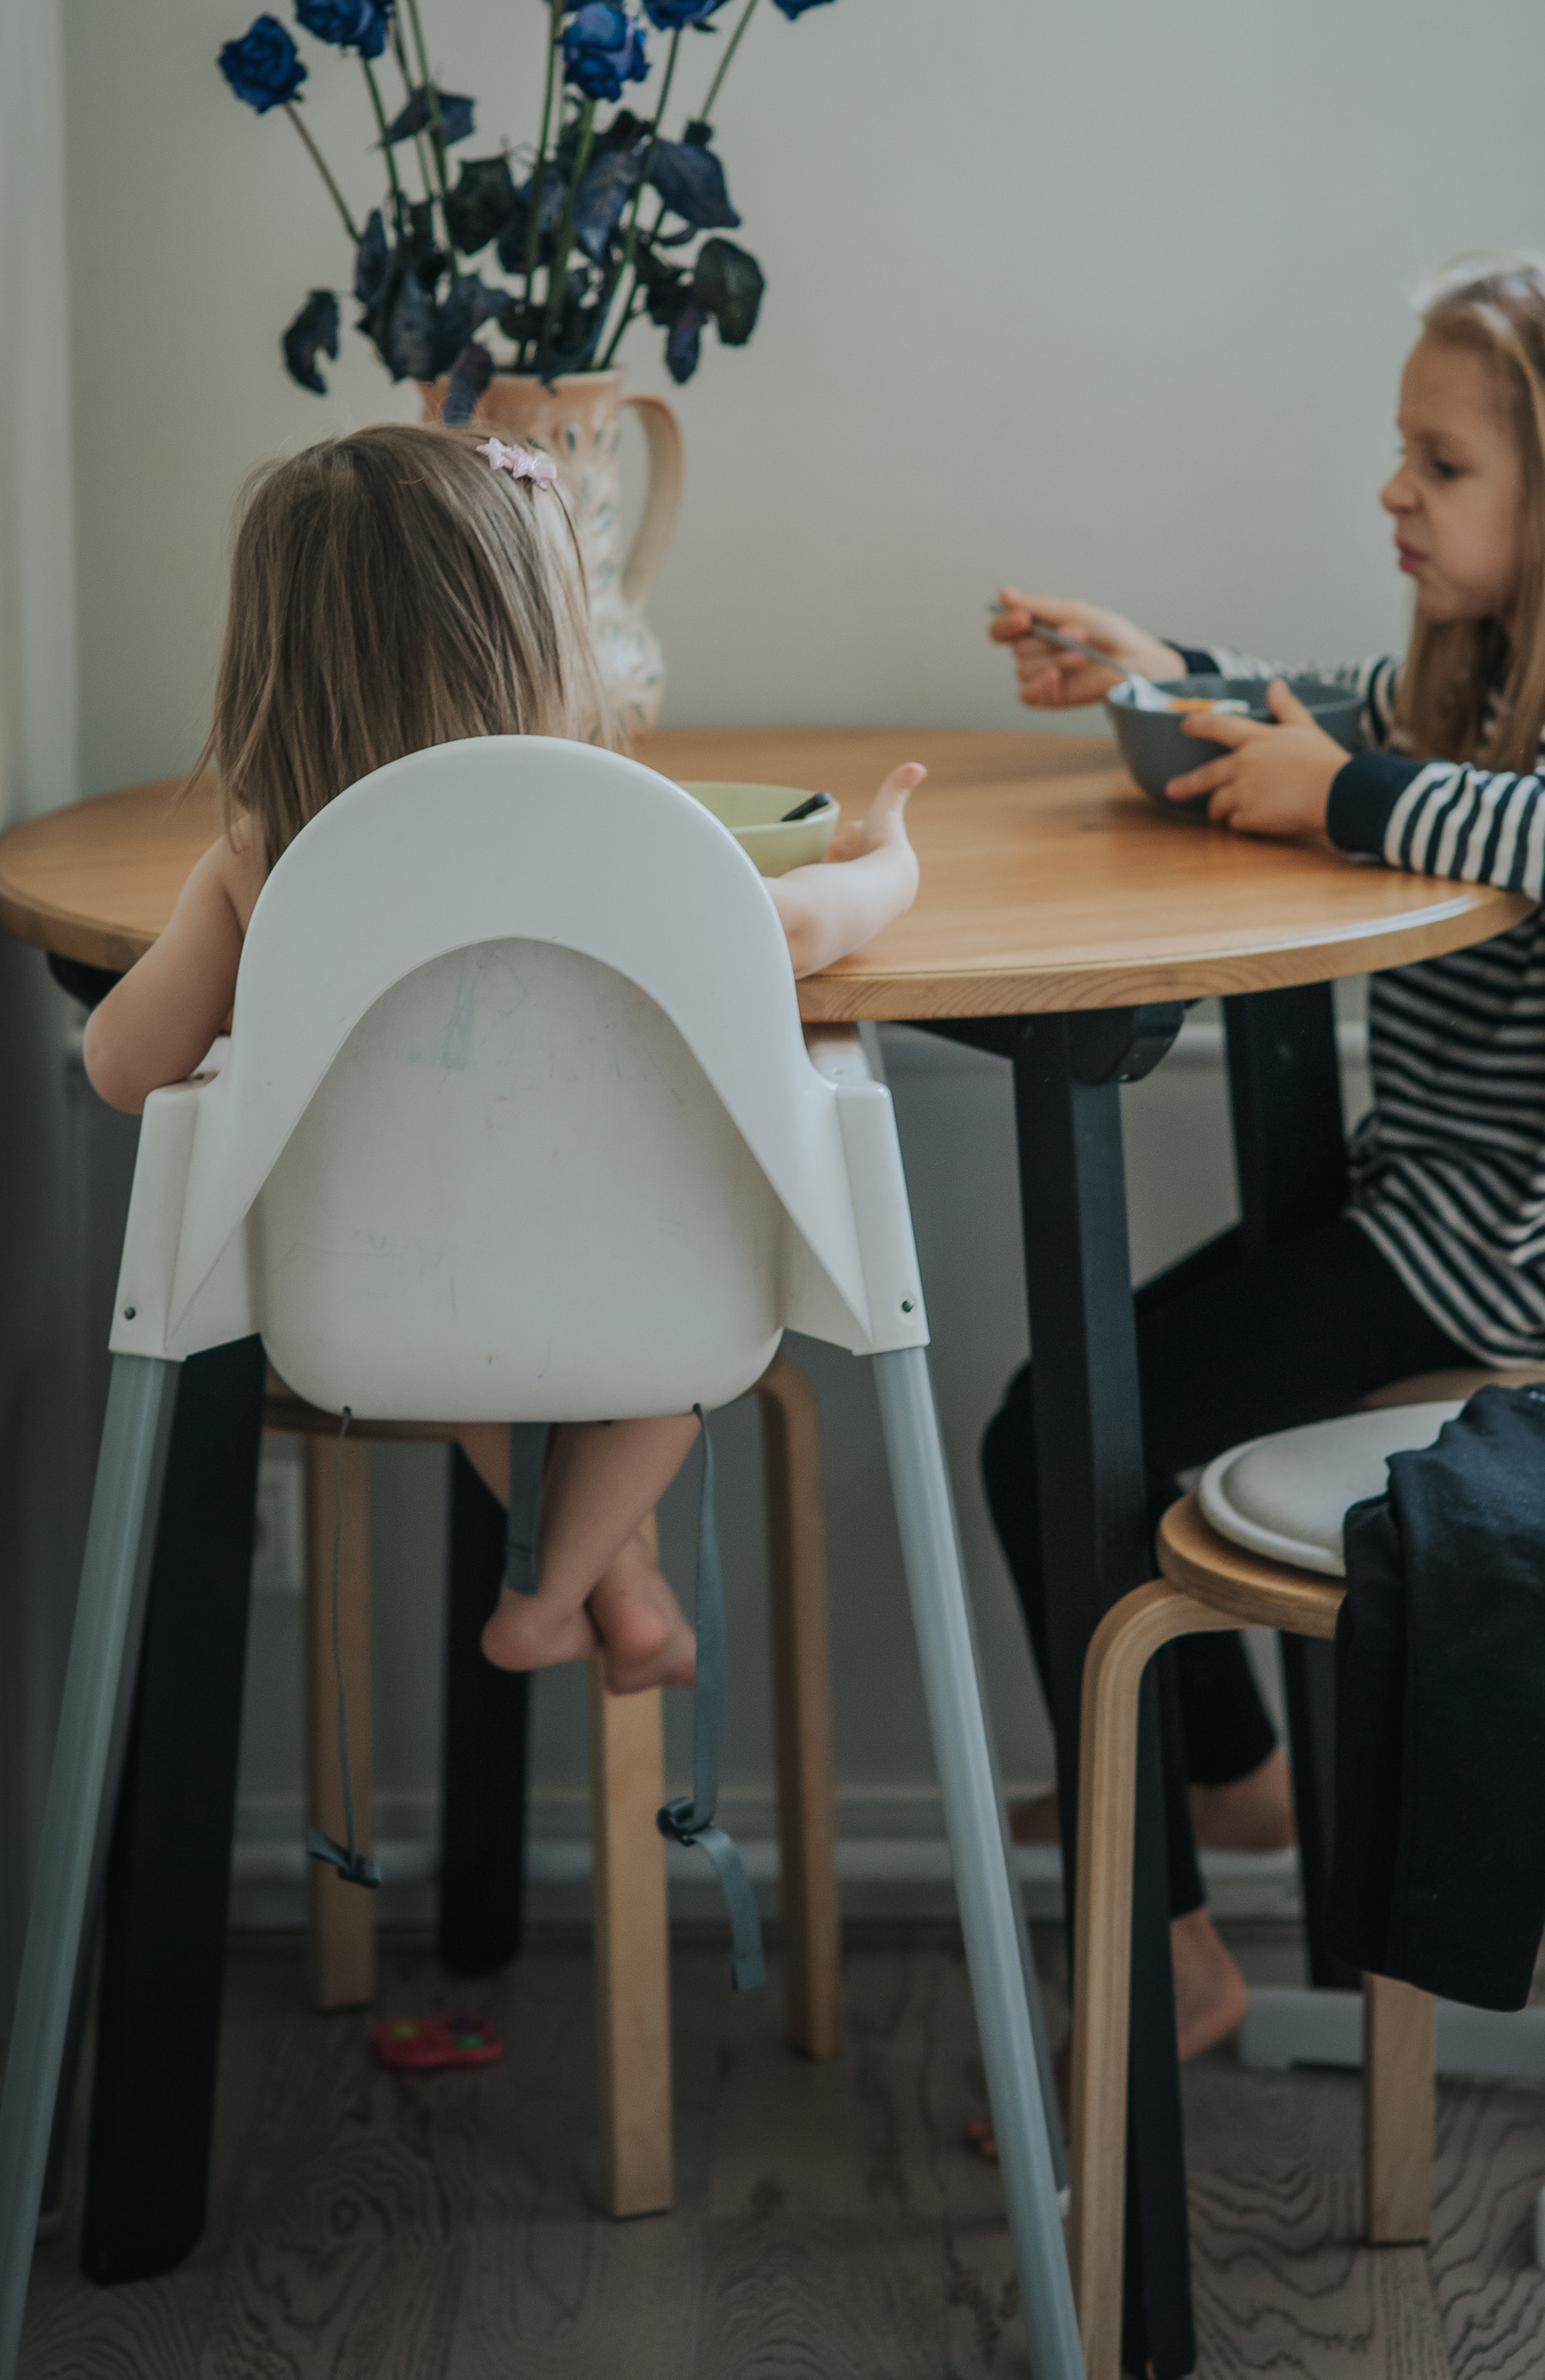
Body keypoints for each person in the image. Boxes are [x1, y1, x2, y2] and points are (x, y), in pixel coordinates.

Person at [988, 251, 1545, 2058]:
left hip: (1527, 1260)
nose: (1390, 495)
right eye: (1400, 457)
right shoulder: (1491, 670)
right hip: (1446, 1222)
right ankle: (1236, 1790)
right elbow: (1320, 710)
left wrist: (1336, 795)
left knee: (1054, 1432)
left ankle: (1176, 1936)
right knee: (1067, 1418)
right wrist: (1164, 676)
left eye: (1440, 464)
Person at [84, 421, 925, 1695]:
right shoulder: (632, 842)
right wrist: (892, 864)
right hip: (648, 1283)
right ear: (536, 641)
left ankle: (611, 1585)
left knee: (472, 1300)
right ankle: (550, 1593)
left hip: (377, 1286)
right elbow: (806, 929)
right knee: (681, 1320)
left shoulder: (259, 859)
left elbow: (122, 1070)